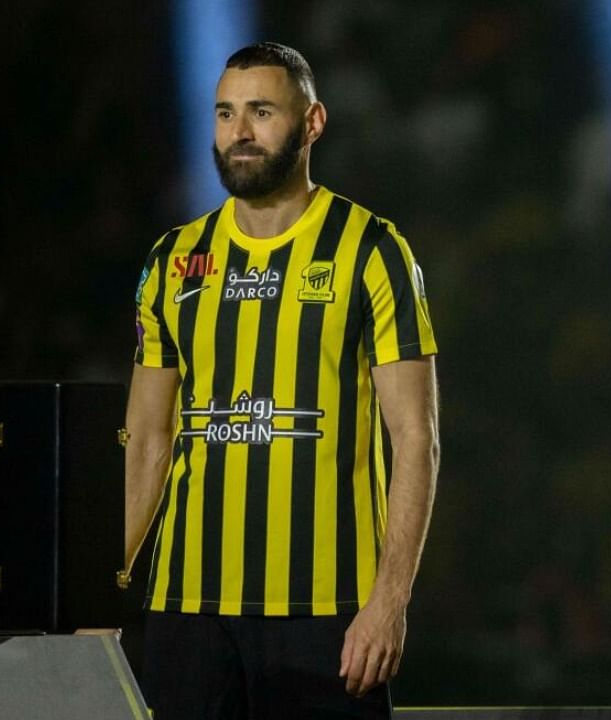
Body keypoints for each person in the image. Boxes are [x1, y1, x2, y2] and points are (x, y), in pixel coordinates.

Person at [122, 42, 439, 719]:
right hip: (187, 613)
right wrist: (104, 582)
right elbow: (148, 438)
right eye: (225, 113)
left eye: (261, 112)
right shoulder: (173, 259)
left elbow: (416, 437)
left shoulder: (371, 249)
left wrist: (389, 604)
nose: (239, 132)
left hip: (324, 615)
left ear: (313, 122)